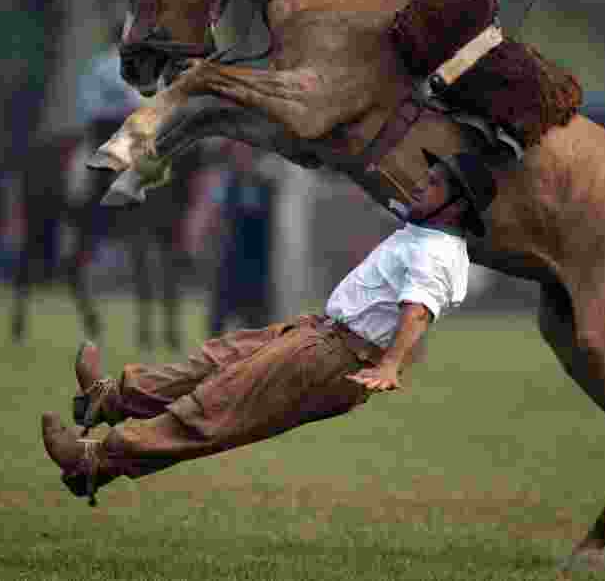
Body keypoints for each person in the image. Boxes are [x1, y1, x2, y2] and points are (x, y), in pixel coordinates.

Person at [41, 150, 497, 505]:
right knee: (213, 362)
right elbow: (394, 189)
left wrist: (393, 364)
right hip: (318, 334)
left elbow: (418, 310)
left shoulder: (436, 252)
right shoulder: (423, 231)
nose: (422, 183)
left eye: (435, 183)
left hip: (337, 356)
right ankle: (109, 400)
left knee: (214, 407)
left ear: (456, 208)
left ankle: (93, 461)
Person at [207, 141, 278, 336]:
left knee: (257, 332)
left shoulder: (264, 186)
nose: (242, 157)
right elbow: (214, 219)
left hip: (256, 270)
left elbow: (271, 229)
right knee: (216, 328)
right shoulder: (225, 184)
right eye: (238, 153)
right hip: (228, 267)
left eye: (246, 152)